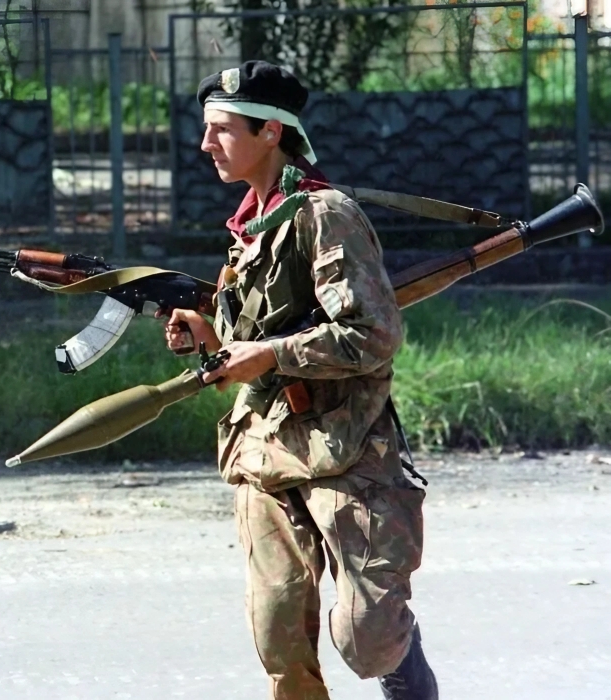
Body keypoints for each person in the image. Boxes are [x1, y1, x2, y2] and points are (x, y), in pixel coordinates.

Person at [161, 61, 438, 700]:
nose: (206, 145)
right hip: (266, 449)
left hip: (347, 449)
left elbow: (373, 336)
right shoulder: (250, 228)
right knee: (278, 637)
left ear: (270, 133)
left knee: (366, 640)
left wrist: (272, 355)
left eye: (222, 130)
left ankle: (403, 663)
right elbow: (248, 350)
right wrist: (210, 341)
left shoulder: (324, 214)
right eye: (207, 130)